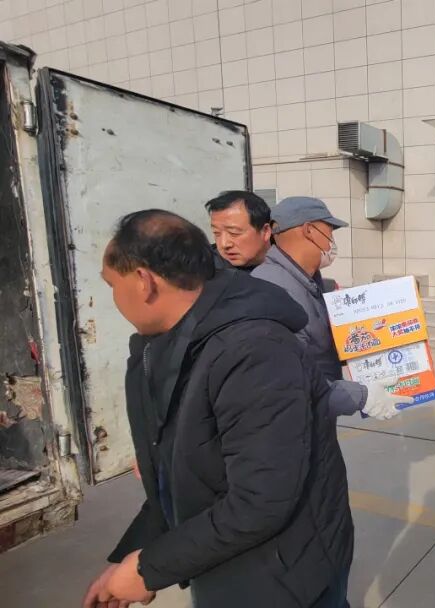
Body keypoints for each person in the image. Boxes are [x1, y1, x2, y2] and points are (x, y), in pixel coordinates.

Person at [83, 210, 353, 607]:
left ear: (143, 281)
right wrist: (143, 552)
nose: (112, 297)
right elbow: (181, 468)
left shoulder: (255, 351)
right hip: (228, 558)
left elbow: (260, 500)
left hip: (285, 575)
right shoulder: (167, 341)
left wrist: (149, 568)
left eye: (111, 284)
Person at [252, 196, 408, 419]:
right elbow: (288, 376)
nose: (331, 242)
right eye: (329, 232)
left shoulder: (305, 281)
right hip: (293, 421)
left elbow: (316, 348)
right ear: (309, 230)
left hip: (314, 415)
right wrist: (361, 397)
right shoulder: (275, 289)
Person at [206, 190, 273, 271]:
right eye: (216, 233)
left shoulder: (285, 264)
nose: (224, 244)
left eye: (233, 233)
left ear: (265, 232)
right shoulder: (205, 269)